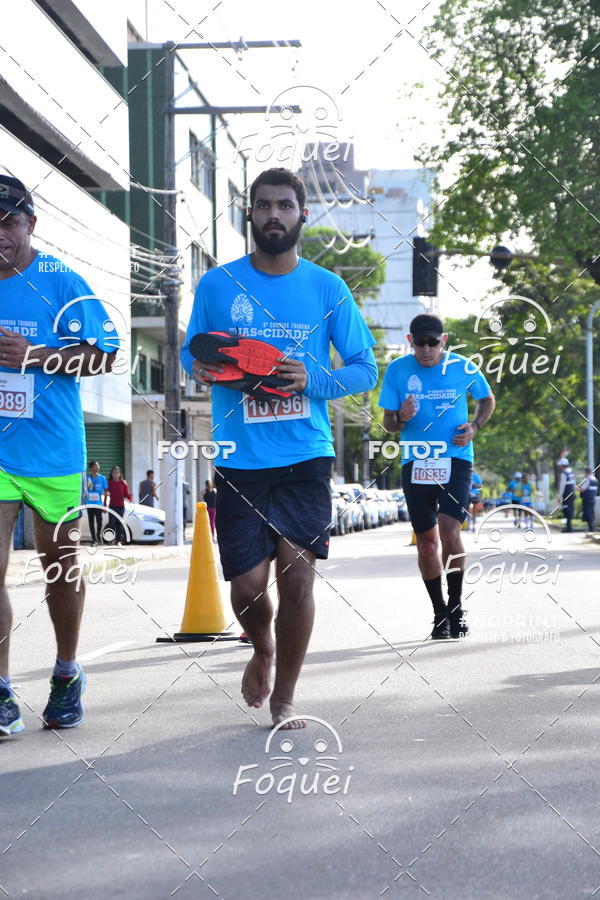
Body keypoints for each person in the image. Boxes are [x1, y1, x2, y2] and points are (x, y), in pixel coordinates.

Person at [181, 167, 377, 728]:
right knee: (247, 587)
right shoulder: (218, 285)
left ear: (301, 216)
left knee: (297, 577)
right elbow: (192, 355)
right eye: (263, 205)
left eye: (285, 206)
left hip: (305, 454)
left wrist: (309, 379)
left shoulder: (326, 288)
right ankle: (261, 646)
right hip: (240, 458)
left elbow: (364, 369)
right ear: (250, 214)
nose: (273, 214)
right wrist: (198, 367)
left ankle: (285, 695)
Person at [0, 174, 118, 735]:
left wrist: (36, 354)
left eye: (8, 222)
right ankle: (0, 688)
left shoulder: (60, 281)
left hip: (53, 453)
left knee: (60, 572)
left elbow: (104, 357)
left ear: (30, 223)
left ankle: (67, 673)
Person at [379, 313, 495, 639]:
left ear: (443, 341)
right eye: (421, 343)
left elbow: (486, 399)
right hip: (416, 462)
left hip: (456, 460)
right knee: (427, 543)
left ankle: (457, 609)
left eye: (434, 342)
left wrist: (474, 426)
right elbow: (388, 423)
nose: (427, 349)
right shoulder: (398, 370)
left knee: (449, 529)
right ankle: (439, 613)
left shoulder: (463, 367)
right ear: (410, 342)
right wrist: (400, 417)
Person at [107, 466, 132, 545]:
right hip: (112, 506)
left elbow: (126, 494)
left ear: (120, 474)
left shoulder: (123, 483)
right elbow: (105, 493)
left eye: (117, 472)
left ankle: (118, 541)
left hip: (120, 506)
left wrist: (130, 498)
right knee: (111, 523)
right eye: (114, 472)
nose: (116, 474)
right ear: (112, 474)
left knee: (119, 523)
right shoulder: (109, 483)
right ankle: (110, 539)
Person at [86, 460, 108, 545]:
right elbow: (84, 490)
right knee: (91, 521)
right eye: (95, 466)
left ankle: (98, 536)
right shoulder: (87, 478)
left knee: (99, 521)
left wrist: (105, 504)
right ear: (91, 468)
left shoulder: (102, 478)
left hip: (98, 504)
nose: (97, 467)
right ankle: (93, 539)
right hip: (89, 503)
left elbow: (106, 491)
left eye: (98, 466)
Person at [557, 458, 576, 532]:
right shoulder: (571, 473)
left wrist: (559, 497)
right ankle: (569, 527)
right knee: (570, 510)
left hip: (566, 495)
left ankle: (569, 528)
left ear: (562, 465)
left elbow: (562, 486)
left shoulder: (564, 474)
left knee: (566, 510)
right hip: (571, 494)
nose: (559, 466)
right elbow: (574, 484)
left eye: (560, 465)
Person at [579, 467, 598, 532]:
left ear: (586, 472)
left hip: (587, 499)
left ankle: (591, 529)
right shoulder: (595, 479)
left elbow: (582, 490)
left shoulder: (588, 479)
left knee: (588, 513)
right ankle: (592, 528)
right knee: (591, 513)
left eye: (584, 472)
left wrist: (576, 488)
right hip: (592, 498)